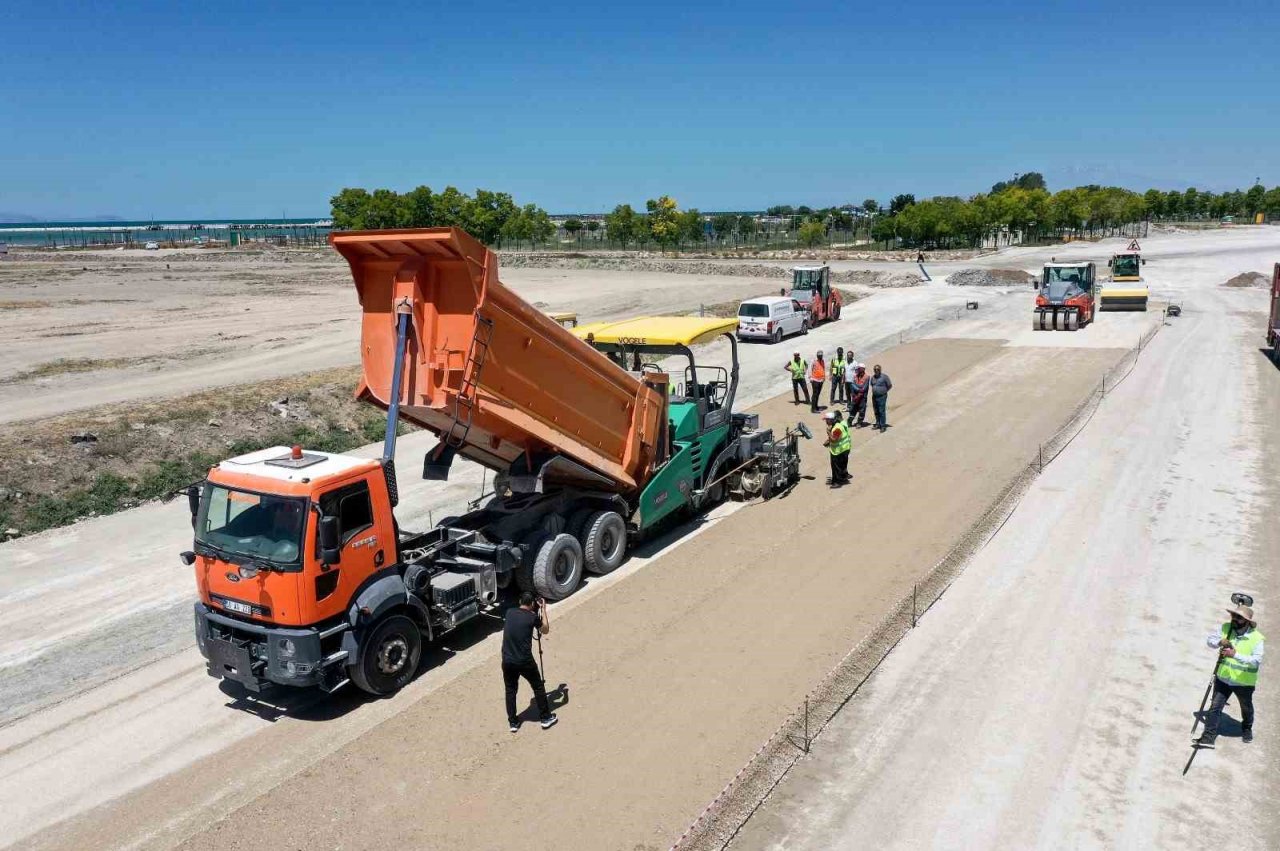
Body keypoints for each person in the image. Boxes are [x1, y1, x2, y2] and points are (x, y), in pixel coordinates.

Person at [1195, 603, 1265, 748]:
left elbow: (1256, 661)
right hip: (1223, 678)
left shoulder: (1257, 638)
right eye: (1233, 615)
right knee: (1215, 707)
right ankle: (1208, 737)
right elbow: (1210, 641)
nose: (1234, 619)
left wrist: (1235, 655)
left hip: (1243, 682)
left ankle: (1247, 728)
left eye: (1239, 617)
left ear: (1247, 621)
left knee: (1246, 708)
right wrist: (1219, 641)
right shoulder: (1226, 628)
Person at [502, 591, 558, 732]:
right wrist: (543, 609)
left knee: (510, 690)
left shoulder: (509, 612)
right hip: (524, 661)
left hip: (507, 660)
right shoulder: (532, 617)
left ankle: (513, 723)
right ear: (533, 604)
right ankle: (545, 718)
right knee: (538, 686)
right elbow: (545, 630)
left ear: (520, 601)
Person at [823, 410, 851, 487]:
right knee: (841, 466)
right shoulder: (836, 425)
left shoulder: (837, 428)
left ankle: (837, 482)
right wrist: (828, 441)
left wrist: (828, 432)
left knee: (836, 467)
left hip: (839, 451)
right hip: (843, 449)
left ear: (831, 420)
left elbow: (834, 439)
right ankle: (843, 477)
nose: (826, 421)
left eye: (827, 420)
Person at [870, 364, 892, 431]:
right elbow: (872, 385)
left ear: (880, 370)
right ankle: (878, 424)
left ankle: (883, 426)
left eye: (878, 369)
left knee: (881, 411)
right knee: (876, 410)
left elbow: (889, 385)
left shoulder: (884, 377)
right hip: (874, 396)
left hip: (882, 397)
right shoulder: (873, 377)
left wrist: (884, 391)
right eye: (875, 369)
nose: (876, 370)